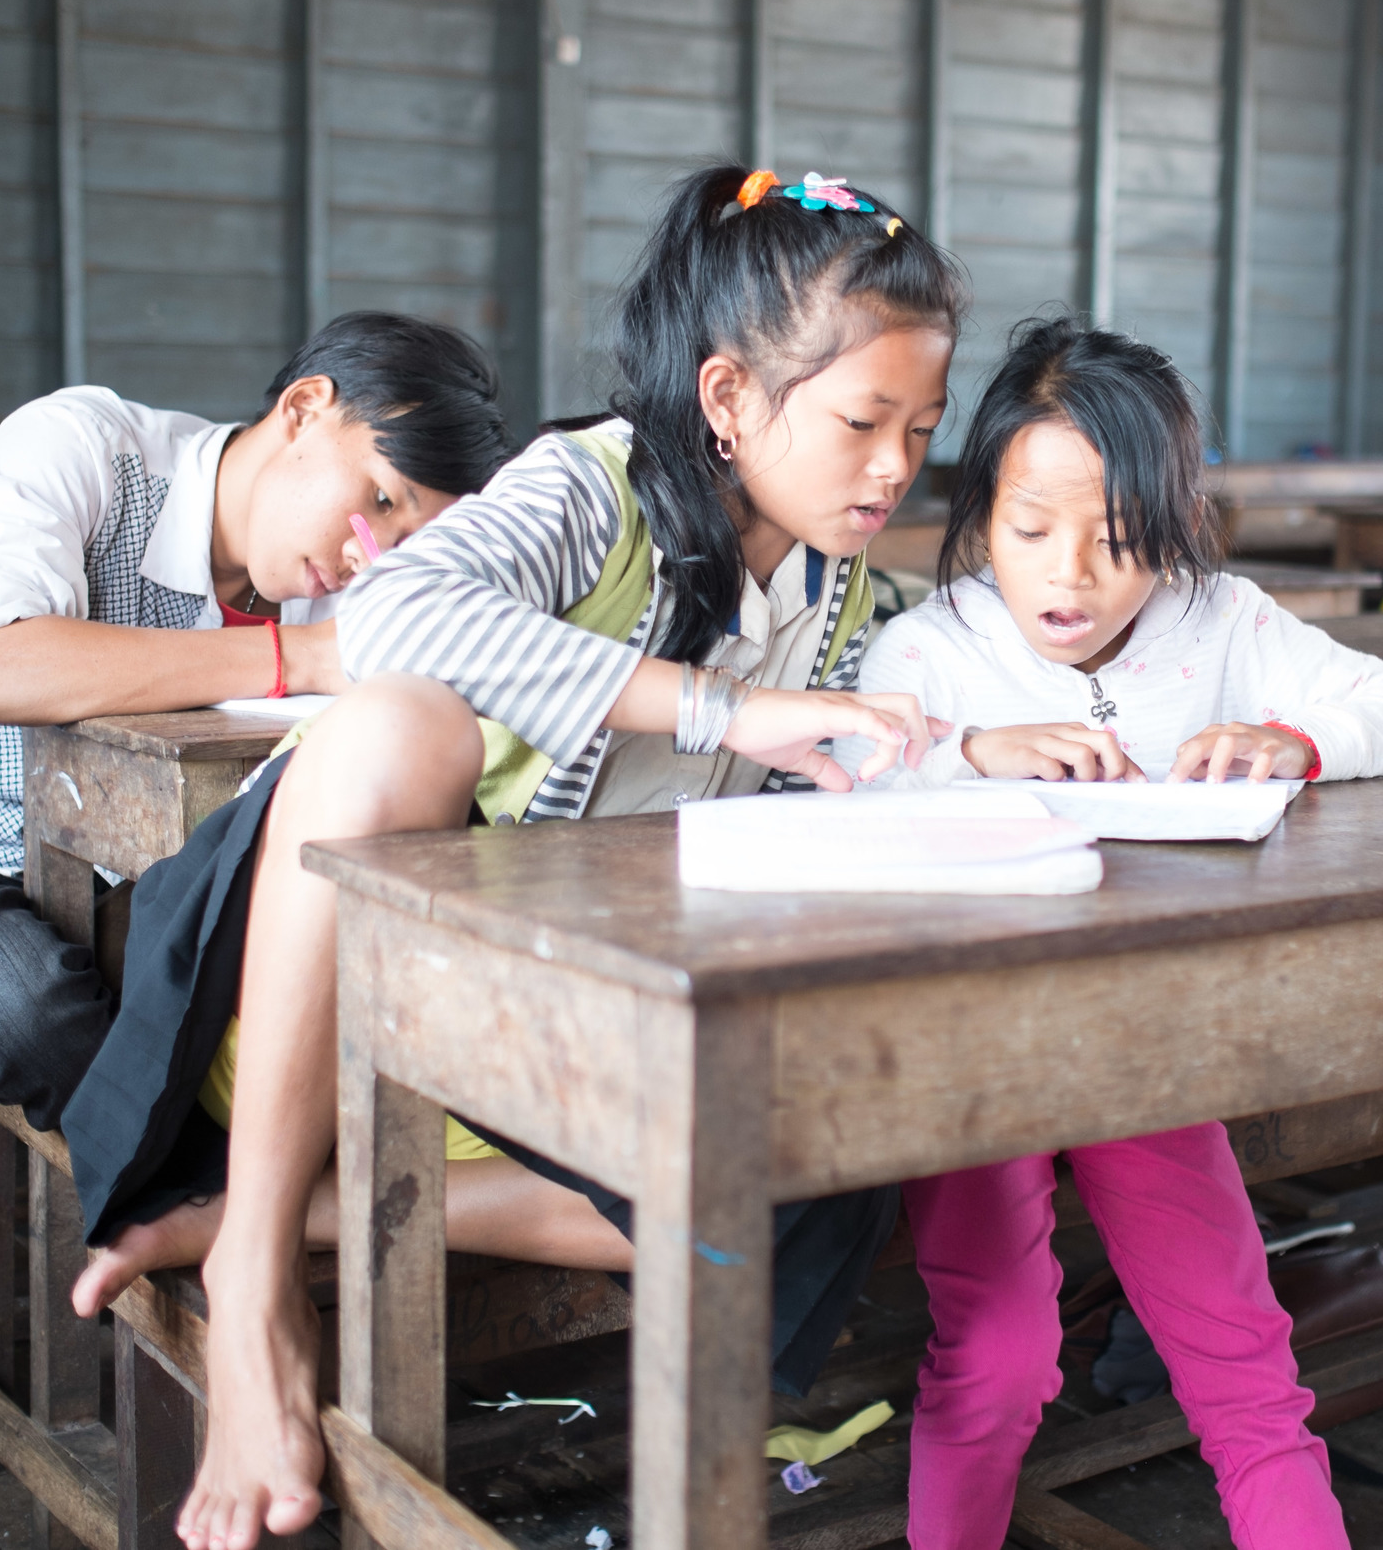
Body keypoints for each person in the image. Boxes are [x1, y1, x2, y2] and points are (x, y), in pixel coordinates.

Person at [57, 164, 969, 1550]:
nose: (897, 463)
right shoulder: (591, 484)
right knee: (399, 725)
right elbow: (402, 613)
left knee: (820, 1158)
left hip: (540, 1033)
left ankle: (277, 1210)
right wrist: (727, 709)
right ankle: (252, 1273)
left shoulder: (835, 579)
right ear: (728, 400)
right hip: (334, 983)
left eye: (923, 424)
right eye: (861, 421)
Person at [843, 316, 1383, 1549]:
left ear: (1170, 529)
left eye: (1118, 542)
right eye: (1029, 533)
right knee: (1001, 1353)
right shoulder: (931, 649)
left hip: (1145, 1049)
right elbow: (845, 776)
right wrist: (968, 750)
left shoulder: (1220, 624)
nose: (1068, 576)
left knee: (1240, 1356)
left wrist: (1302, 738)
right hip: (977, 1058)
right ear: (980, 514)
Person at [0, 311, 516, 1131]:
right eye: (381, 497)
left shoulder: (348, 587)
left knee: (342, 997)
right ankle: (227, 1208)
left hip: (142, 877)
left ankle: (246, 1200)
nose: (368, 553)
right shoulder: (83, 449)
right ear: (305, 407)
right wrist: (300, 656)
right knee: (29, 1016)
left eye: (404, 538)